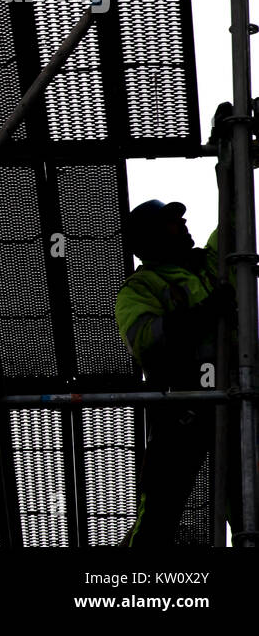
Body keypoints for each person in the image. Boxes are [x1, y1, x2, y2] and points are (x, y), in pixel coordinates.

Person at [116, 197, 241, 545]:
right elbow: (146, 340)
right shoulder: (140, 288)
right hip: (181, 406)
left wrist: (233, 166)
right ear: (150, 238)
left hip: (232, 398)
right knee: (159, 511)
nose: (183, 224)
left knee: (249, 508)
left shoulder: (211, 264)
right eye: (171, 221)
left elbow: (235, 222)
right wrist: (204, 313)